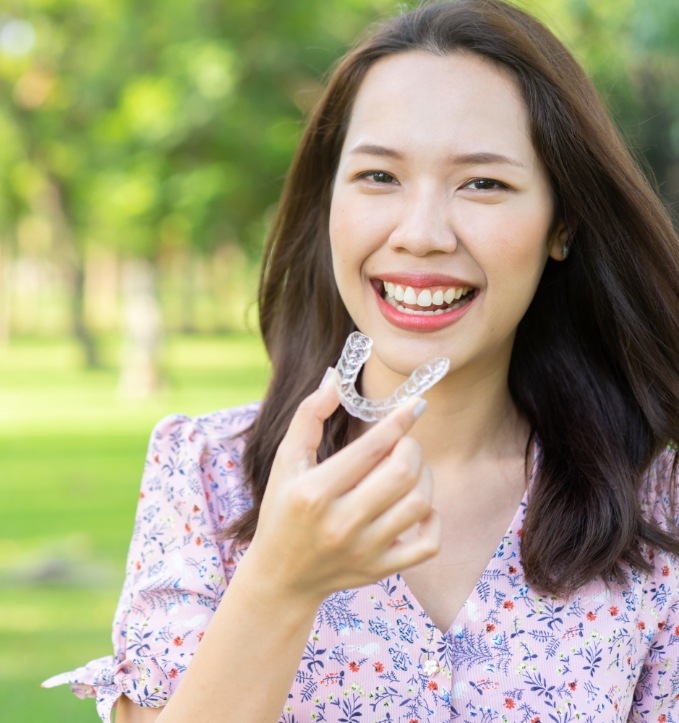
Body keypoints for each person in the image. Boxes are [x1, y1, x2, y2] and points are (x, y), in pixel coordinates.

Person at [44, 0, 679, 720]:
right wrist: (279, 582)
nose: (421, 233)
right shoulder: (205, 476)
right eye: (379, 176)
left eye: (483, 183)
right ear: (328, 203)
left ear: (560, 224)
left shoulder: (653, 504)